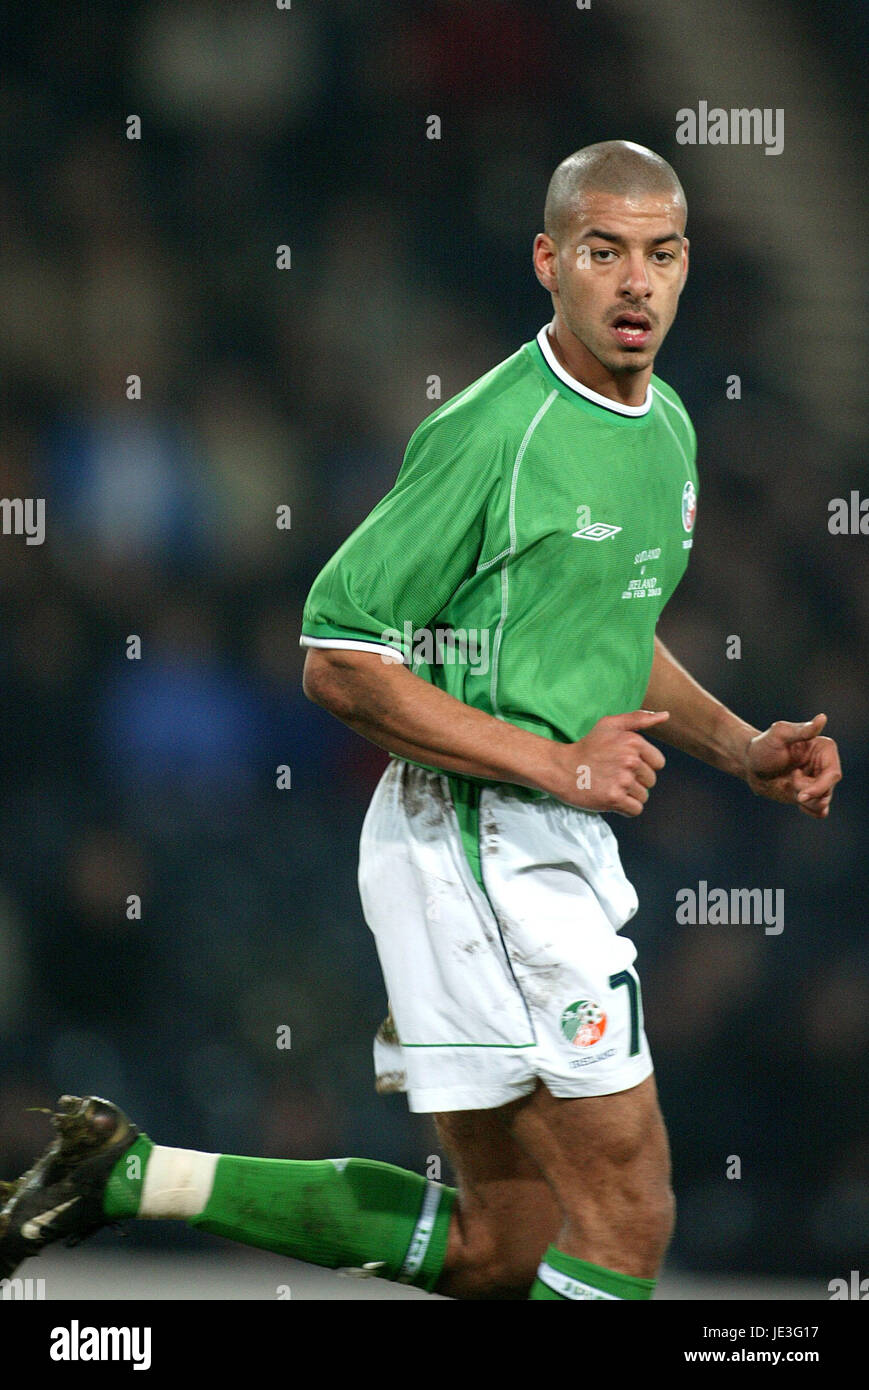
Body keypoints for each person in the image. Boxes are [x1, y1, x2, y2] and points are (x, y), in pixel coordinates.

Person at [0, 141, 841, 1301]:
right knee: (627, 1222)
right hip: (480, 840)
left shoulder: (668, 428)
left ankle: (134, 1176)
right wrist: (554, 761)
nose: (633, 281)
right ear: (549, 262)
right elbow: (336, 659)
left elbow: (604, 629)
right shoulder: (492, 433)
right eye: (603, 253)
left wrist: (739, 746)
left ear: (686, 264)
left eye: (658, 254)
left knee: (500, 1244)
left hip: (534, 839)